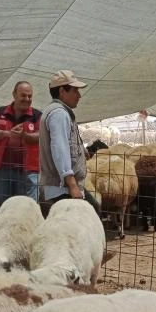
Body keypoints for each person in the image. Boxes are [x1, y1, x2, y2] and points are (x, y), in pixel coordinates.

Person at [37, 69, 100, 216]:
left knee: (93, 211)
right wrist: (72, 185)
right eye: (75, 90)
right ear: (62, 91)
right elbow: (60, 148)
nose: (79, 95)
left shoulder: (58, 112)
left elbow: (65, 143)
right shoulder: (59, 114)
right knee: (91, 215)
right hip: (61, 191)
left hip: (60, 188)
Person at [0, 81, 41, 214]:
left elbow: (41, 136)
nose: (27, 99)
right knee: (1, 207)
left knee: (24, 209)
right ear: (14, 95)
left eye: (30, 96)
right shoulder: (1, 112)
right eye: (23, 95)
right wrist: (7, 133)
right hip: (2, 169)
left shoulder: (37, 115)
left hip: (27, 171)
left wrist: (24, 136)